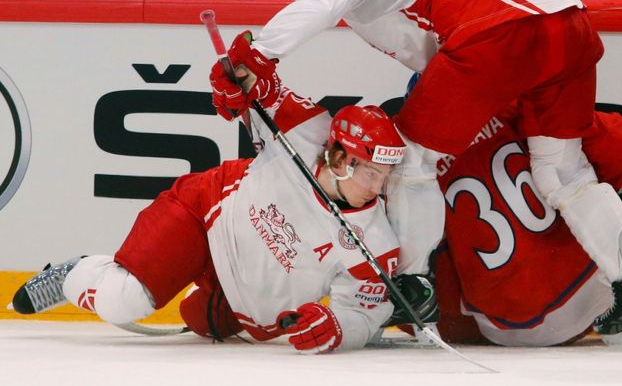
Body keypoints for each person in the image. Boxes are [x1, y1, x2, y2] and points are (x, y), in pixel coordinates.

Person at [222, 0, 622, 342]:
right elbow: (434, 51)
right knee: (563, 170)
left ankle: (414, 286)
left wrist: (258, 53)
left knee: (411, 161)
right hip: (567, 16)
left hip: (497, 29)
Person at [10, 42, 407, 354]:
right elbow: (255, 81)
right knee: (124, 302)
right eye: (371, 172)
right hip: (205, 215)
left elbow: (362, 313)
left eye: (384, 176)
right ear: (339, 158)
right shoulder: (306, 130)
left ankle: (187, 294)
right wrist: (232, 78)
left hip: (240, 305)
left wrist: (339, 329)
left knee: (195, 318)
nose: (378, 187)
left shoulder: (376, 241)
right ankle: (76, 273)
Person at [425, 101, 622, 346]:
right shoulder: (516, 104)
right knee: (593, 213)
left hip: (504, 326)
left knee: (431, 263)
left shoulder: (418, 152)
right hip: (594, 289)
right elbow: (614, 153)